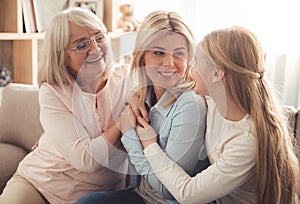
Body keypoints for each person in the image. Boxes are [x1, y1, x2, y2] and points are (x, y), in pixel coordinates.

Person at [135, 26, 300, 203]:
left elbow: (188, 194)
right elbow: (174, 84)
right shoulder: (214, 102)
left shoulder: (247, 139)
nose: (190, 68)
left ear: (217, 73)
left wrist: (149, 145)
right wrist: (138, 93)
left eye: (196, 61)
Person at [0, 7, 130, 204]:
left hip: (100, 194)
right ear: (62, 56)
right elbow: (87, 159)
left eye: (99, 38)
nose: (95, 49)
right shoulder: (53, 92)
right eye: (81, 45)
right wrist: (122, 123)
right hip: (40, 184)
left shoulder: (129, 79)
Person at [76, 10, 208, 204]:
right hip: (141, 195)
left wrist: (129, 134)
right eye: (158, 52)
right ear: (142, 56)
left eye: (179, 53)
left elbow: (169, 192)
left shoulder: (190, 106)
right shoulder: (142, 93)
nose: (169, 63)